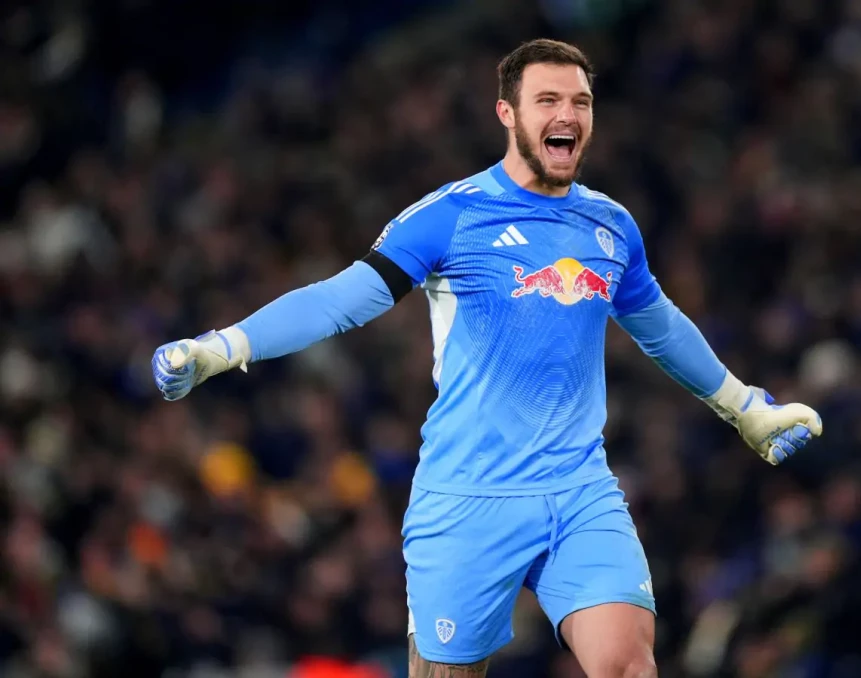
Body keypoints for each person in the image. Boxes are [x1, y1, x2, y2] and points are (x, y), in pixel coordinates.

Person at [151, 39, 823, 678]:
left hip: (579, 492)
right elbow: (339, 300)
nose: (567, 115)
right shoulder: (452, 216)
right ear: (507, 113)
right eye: (547, 100)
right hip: (467, 501)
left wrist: (744, 407)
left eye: (581, 102)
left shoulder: (612, 225)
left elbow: (661, 326)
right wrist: (222, 348)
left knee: (628, 664)